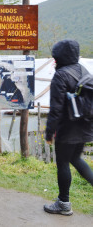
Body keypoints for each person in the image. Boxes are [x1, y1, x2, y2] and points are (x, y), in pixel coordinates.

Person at [44, 40, 93, 215]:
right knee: (76, 159)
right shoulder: (84, 70)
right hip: (85, 125)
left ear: (61, 56)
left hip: (68, 128)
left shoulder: (61, 75)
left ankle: (63, 203)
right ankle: (63, 202)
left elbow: (56, 109)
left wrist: (49, 132)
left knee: (63, 163)